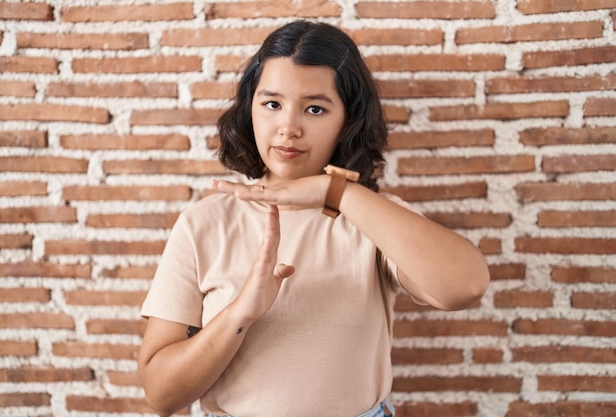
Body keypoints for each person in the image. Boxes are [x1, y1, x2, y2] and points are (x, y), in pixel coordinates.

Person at [138, 20, 490, 417]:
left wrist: (335, 192)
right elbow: (161, 396)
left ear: (347, 119)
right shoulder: (203, 224)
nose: (289, 128)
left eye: (315, 108)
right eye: (272, 104)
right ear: (250, 108)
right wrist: (240, 313)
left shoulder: (374, 217)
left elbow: (467, 286)